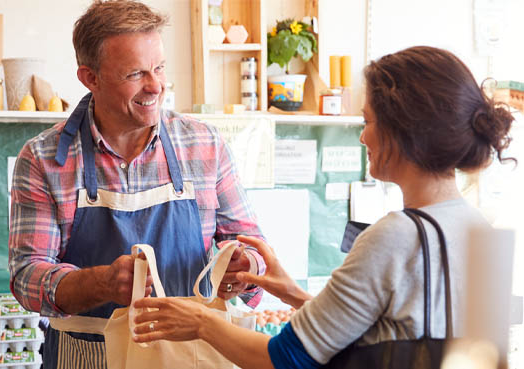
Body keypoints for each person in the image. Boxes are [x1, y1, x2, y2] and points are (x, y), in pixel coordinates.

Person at [132, 45, 516, 368]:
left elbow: (285, 360)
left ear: (405, 132)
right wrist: (294, 294)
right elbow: (401, 334)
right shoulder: (480, 228)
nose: (363, 136)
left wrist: (202, 322)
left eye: (368, 121)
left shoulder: (395, 235)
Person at [8, 1, 265, 368]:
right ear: (89, 77)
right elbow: (26, 275)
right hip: (86, 356)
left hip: (188, 356)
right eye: (135, 74)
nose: (156, 86)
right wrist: (101, 283)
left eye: (159, 68)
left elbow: (252, 245)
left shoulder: (203, 144)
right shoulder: (43, 159)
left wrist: (244, 269)